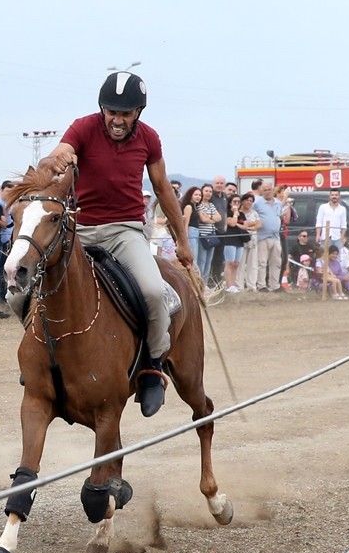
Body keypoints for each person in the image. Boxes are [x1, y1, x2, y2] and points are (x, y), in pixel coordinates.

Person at [39, 70, 193, 417]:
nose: (117, 119)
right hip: (80, 229)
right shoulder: (83, 127)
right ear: (101, 108)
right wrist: (56, 159)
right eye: (111, 111)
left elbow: (163, 188)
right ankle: (40, 360)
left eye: (125, 113)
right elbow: (58, 153)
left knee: (154, 292)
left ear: (138, 112)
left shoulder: (149, 139)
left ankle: (153, 367)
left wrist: (182, 242)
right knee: (24, 290)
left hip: (125, 231)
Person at [252, 180, 285, 292]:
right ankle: (261, 285)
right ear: (261, 191)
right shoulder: (257, 204)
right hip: (262, 237)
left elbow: (279, 216)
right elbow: (252, 216)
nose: (267, 192)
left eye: (268, 190)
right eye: (264, 190)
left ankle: (274, 285)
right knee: (262, 262)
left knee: (276, 262)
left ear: (272, 190)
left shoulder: (278, 203)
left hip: (276, 237)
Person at [194, 184, 222, 286]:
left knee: (208, 262)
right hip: (202, 235)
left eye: (210, 191)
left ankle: (204, 285)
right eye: (206, 191)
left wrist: (209, 218)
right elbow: (203, 219)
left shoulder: (211, 205)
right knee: (201, 261)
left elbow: (219, 218)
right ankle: (199, 285)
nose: (208, 193)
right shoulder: (198, 205)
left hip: (212, 235)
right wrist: (211, 218)